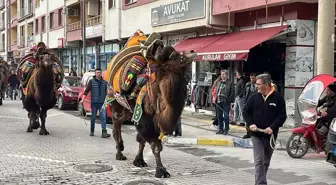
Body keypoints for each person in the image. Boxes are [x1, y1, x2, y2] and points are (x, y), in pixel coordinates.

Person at [243, 73, 287, 185]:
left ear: (266, 85)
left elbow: (282, 116)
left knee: (266, 162)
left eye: (258, 84)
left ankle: (259, 180)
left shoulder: (278, 98)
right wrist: (250, 123)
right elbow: (245, 112)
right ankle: (261, 183)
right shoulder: (254, 96)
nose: (256, 86)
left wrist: (272, 127)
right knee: (259, 161)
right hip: (256, 133)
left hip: (270, 135)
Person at [81, 68, 111, 138]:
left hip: (102, 104)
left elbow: (108, 92)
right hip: (94, 103)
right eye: (97, 72)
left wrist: (110, 91)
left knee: (103, 118)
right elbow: (86, 91)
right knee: (93, 117)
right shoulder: (91, 81)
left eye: (100, 72)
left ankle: (104, 132)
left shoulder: (104, 82)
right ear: (95, 73)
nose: (99, 73)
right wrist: (82, 99)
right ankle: (92, 131)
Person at [213, 69, 234, 135]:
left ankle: (226, 129)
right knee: (219, 116)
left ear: (227, 75)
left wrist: (228, 100)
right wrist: (215, 99)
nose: (222, 76)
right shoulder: (219, 82)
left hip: (226, 102)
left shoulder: (230, 83)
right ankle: (220, 129)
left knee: (226, 116)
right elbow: (216, 91)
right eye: (221, 74)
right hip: (218, 101)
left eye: (224, 74)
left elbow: (232, 92)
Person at [242, 73, 257, 139]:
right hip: (248, 104)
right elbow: (244, 94)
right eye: (250, 78)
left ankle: (254, 133)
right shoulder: (247, 85)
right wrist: (244, 102)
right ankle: (248, 133)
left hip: (255, 105)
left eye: (253, 78)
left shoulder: (258, 85)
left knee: (254, 120)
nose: (251, 79)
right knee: (247, 120)